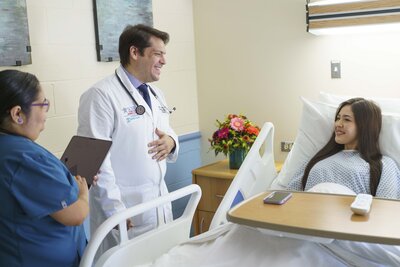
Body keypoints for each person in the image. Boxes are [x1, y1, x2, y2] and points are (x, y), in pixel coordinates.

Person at [77, 24, 179, 254]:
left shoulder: (155, 93)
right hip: (126, 211)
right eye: (158, 54)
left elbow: (167, 130)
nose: (164, 61)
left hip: (158, 204)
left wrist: (171, 141)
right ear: (135, 53)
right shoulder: (100, 95)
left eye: (165, 54)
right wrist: (115, 212)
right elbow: (92, 162)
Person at [0, 70, 89, 267]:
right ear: (17, 114)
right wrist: (83, 194)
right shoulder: (26, 157)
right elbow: (75, 215)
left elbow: (33, 189)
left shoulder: (9, 148)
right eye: (43, 105)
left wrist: (63, 180)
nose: (46, 114)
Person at [286, 97, 400, 198]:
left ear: (364, 126)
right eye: (338, 118)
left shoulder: (384, 165)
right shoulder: (317, 159)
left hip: (351, 220)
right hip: (305, 217)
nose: (338, 124)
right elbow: (290, 195)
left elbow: (386, 208)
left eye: (347, 119)